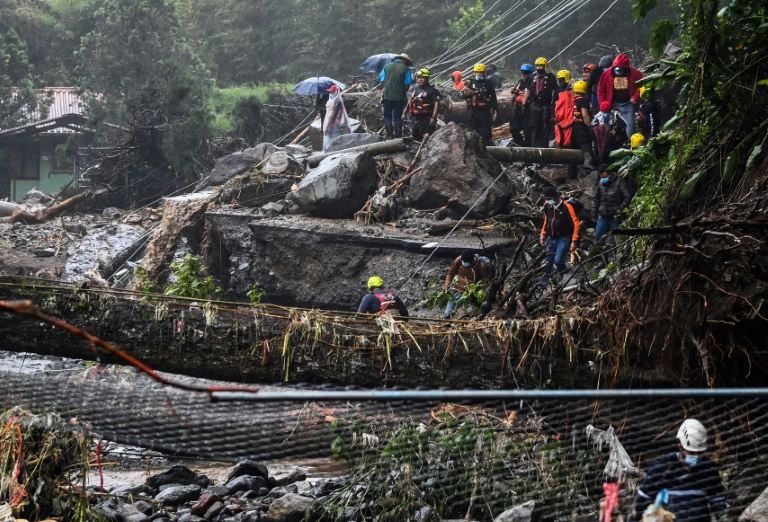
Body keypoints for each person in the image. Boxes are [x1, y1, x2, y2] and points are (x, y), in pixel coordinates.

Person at [627, 419, 727, 522]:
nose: (696, 457)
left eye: (699, 453)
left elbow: (719, 507)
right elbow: (638, 507)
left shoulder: (709, 470)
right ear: (680, 445)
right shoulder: (662, 468)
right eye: (691, 452)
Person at [539, 186, 580, 286]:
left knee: (558, 260)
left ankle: (565, 275)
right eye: (546, 199)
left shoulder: (567, 207)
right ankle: (544, 282)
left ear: (555, 197)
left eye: (549, 199)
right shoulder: (547, 206)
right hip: (552, 237)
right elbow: (546, 220)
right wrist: (543, 234)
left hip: (564, 237)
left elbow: (576, 224)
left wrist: (574, 240)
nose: (547, 201)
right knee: (546, 260)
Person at [597, 53, 644, 140]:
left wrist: (635, 97)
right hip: (612, 103)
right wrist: (603, 105)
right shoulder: (607, 74)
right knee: (609, 125)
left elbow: (642, 86)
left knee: (631, 125)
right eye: (616, 70)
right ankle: (611, 144)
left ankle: (631, 142)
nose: (618, 73)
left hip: (628, 104)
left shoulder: (635, 74)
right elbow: (601, 90)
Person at [442, 250, 494, 319]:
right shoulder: (458, 260)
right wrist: (447, 284)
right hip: (457, 291)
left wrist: (482, 295)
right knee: (447, 314)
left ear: (473, 260)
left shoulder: (481, 265)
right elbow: (450, 273)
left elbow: (485, 282)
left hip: (470, 296)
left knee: (468, 315)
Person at [592, 164, 633, 242]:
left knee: (619, 239)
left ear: (609, 174)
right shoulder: (600, 183)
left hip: (615, 216)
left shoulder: (619, 182)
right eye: (601, 177)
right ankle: (600, 254)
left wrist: (620, 208)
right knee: (598, 237)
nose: (603, 179)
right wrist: (593, 212)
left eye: (604, 177)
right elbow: (596, 198)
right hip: (603, 215)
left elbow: (627, 196)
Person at [379, 53, 413, 139]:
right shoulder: (406, 69)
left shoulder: (386, 67)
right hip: (399, 97)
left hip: (387, 97)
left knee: (387, 116)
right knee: (398, 116)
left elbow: (381, 80)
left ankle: (390, 136)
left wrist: (385, 89)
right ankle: (398, 136)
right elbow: (408, 83)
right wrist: (402, 91)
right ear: (405, 60)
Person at [463, 63, 498, 146]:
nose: (479, 74)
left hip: (484, 111)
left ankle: (486, 146)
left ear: (484, 73)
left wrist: (496, 111)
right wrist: (467, 93)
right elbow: (464, 96)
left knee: (485, 130)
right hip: (473, 110)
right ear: (474, 73)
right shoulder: (470, 83)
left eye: (481, 72)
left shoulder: (488, 84)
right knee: (472, 128)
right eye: (477, 72)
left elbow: (493, 98)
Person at [403, 68, 442, 142]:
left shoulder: (432, 91)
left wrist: (433, 118)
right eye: (419, 78)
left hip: (427, 117)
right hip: (416, 117)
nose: (420, 80)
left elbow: (437, 104)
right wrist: (404, 113)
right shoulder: (414, 89)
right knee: (415, 134)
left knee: (426, 135)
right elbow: (410, 102)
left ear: (427, 79)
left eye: (422, 78)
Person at [529, 57, 557, 148]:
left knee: (545, 128)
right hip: (534, 106)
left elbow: (555, 91)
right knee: (535, 128)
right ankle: (535, 147)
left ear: (545, 66)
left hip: (546, 106)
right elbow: (529, 90)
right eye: (537, 66)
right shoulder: (533, 76)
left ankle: (545, 147)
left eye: (541, 66)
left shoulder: (550, 77)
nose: (539, 68)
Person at [511, 63, 534, 145]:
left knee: (527, 131)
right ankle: (520, 144)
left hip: (528, 109)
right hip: (518, 109)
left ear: (530, 73)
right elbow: (514, 91)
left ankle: (527, 147)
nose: (524, 75)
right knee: (513, 129)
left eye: (526, 73)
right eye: (522, 73)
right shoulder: (520, 82)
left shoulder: (532, 82)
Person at [323, 85, 351, 152]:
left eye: (332, 92)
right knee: (332, 140)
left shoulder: (337, 101)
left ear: (336, 92)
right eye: (330, 92)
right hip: (332, 124)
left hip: (334, 125)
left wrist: (326, 126)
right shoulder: (333, 101)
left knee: (334, 141)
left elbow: (333, 115)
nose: (331, 93)